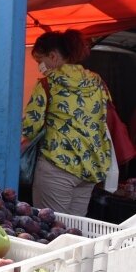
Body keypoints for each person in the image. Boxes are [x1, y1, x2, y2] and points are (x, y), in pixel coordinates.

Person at [22, 29, 111, 216]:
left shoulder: (47, 84)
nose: (40, 66)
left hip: (57, 166)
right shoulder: (97, 81)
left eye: (40, 61)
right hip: (91, 166)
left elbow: (31, 127)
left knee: (51, 227)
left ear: (53, 56)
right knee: (75, 229)